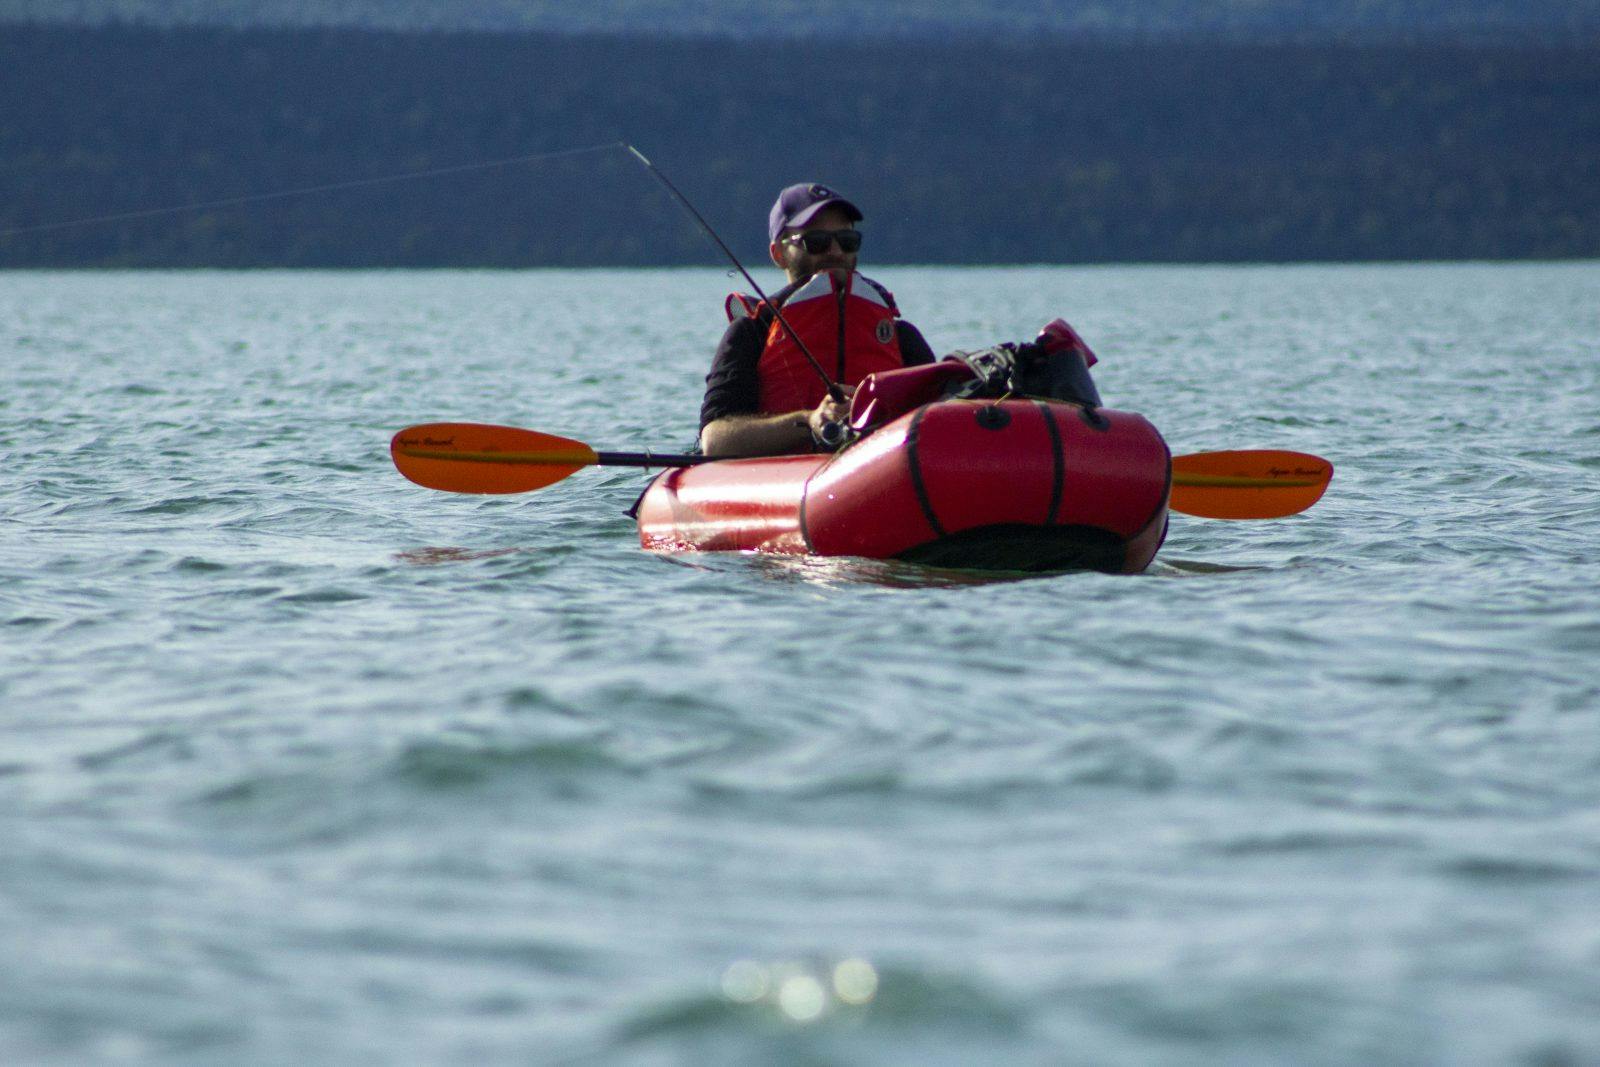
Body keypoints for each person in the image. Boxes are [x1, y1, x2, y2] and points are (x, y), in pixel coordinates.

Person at [698, 183, 936, 456]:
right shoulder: (752, 332)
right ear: (778, 254)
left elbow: (939, 420)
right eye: (817, 241)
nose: (835, 252)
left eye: (847, 241)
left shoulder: (901, 336)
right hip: (782, 482)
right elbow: (715, 440)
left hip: (884, 475)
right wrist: (811, 420)